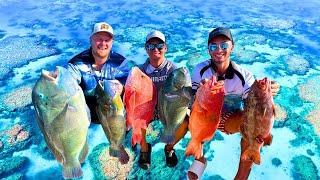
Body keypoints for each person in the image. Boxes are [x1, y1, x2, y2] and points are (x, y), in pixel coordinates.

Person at [188, 27, 280, 180]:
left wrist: (271, 89)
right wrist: (200, 92)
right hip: (205, 117)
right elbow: (192, 100)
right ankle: (199, 157)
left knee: (251, 123)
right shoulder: (200, 69)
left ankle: (241, 175)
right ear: (208, 50)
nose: (219, 50)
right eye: (213, 46)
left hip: (227, 119)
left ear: (232, 47)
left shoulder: (243, 76)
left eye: (224, 45)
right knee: (184, 116)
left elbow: (254, 101)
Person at [67, 22, 132, 164]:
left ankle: (118, 145)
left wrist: (121, 87)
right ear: (90, 39)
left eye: (107, 39)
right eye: (98, 38)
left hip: (110, 109)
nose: (103, 43)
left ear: (112, 42)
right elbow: (69, 82)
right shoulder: (76, 63)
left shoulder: (120, 62)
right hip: (87, 112)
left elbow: (126, 83)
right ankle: (74, 149)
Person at [137, 30, 190, 169]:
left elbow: (184, 94)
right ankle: (144, 148)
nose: (156, 49)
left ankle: (169, 148)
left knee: (185, 122)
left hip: (169, 107)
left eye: (159, 45)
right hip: (149, 106)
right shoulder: (141, 70)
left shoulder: (173, 70)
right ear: (146, 48)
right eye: (151, 46)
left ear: (165, 48)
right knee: (137, 118)